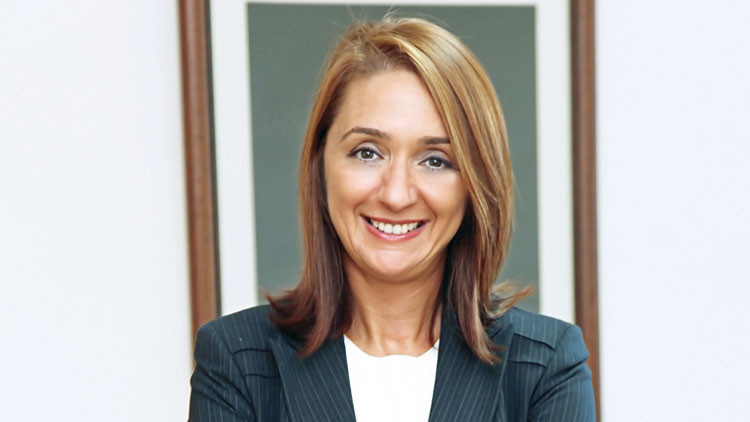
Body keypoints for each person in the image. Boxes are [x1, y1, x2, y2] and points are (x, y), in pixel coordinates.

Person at [189, 16, 595, 421]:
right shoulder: (237, 361)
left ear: (475, 184)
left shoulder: (545, 367)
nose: (396, 195)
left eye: (435, 160)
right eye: (367, 152)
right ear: (321, 166)